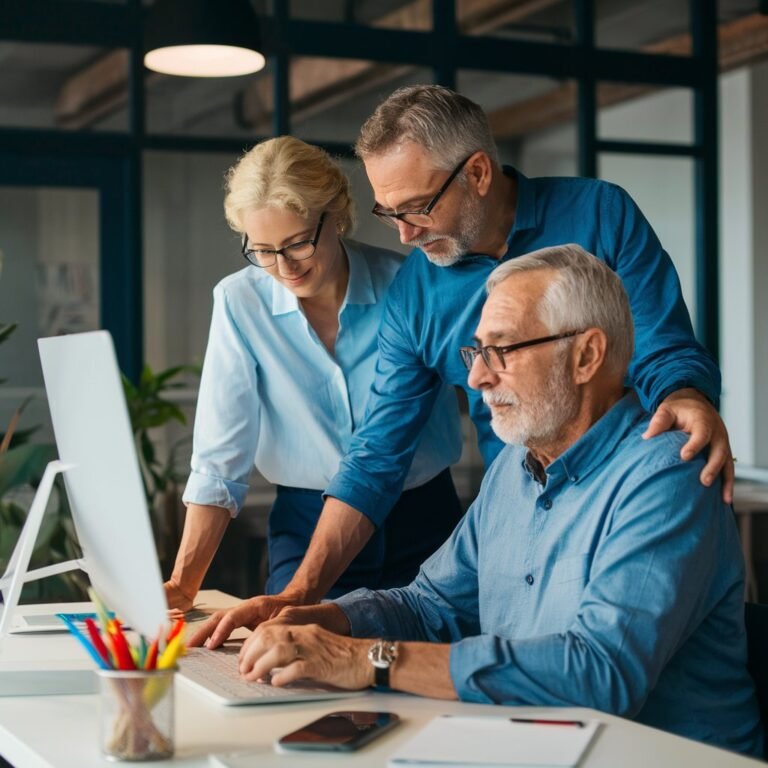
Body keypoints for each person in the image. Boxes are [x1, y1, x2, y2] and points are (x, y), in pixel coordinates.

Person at [192, 85, 734, 644]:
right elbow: (377, 454)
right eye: (388, 212)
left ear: (477, 173)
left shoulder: (599, 213)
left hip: (629, 498)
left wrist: (685, 394)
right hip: (519, 507)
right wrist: (298, 596)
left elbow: (662, 344)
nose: (402, 233)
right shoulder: (416, 294)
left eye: (417, 208)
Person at [225, 246, 762, 757]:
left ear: (586, 355)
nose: (477, 377)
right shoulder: (515, 465)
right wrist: (321, 621)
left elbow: (601, 674)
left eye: (501, 350)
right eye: (476, 351)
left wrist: (365, 659)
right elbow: (431, 606)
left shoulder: (666, 474)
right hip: (534, 744)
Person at [164, 136, 464, 610]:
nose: (284, 268)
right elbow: (220, 459)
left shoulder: (408, 285)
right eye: (262, 250)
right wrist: (183, 585)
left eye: (297, 243)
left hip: (424, 519)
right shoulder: (240, 302)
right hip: (305, 521)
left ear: (338, 216)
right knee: (293, 664)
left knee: (427, 662)